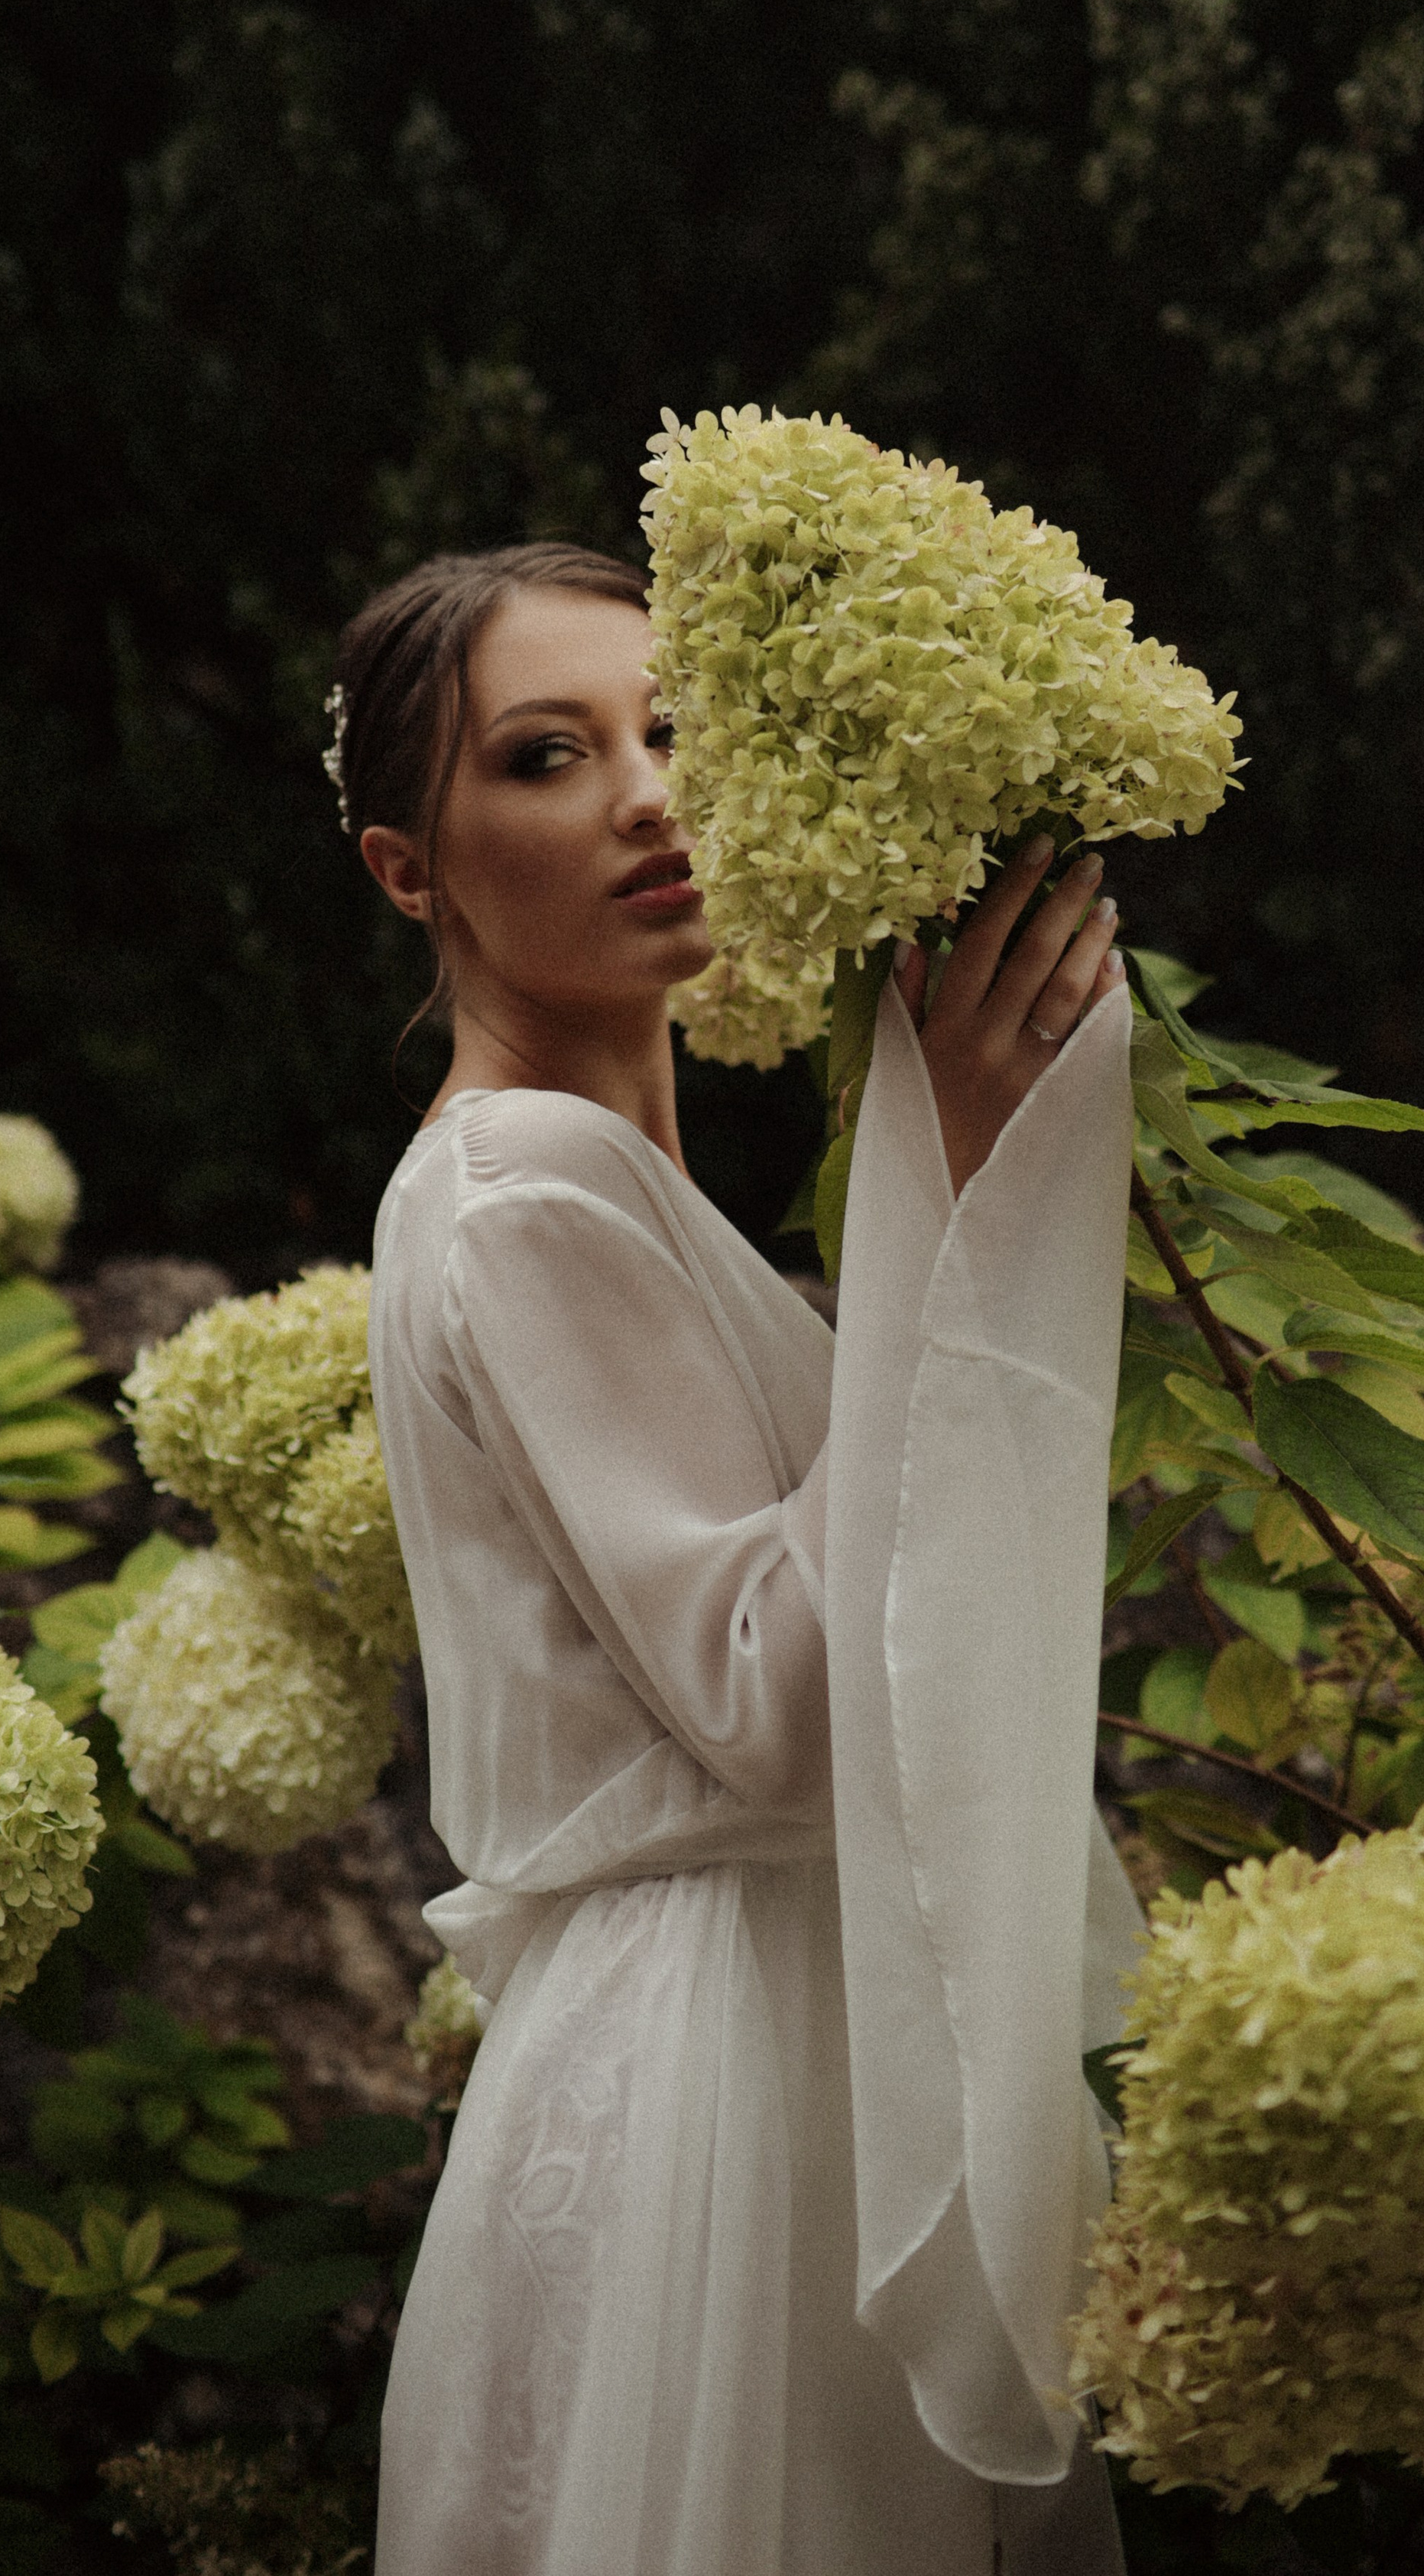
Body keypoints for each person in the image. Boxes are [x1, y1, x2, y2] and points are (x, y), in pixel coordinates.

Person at [342, 541, 1144, 2576]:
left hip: (766, 2025)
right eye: (546, 756)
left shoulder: (589, 1178)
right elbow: (779, 1703)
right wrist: (945, 1195)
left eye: (673, 729)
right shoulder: (524, 1186)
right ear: (408, 872)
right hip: (725, 2067)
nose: (646, 795)